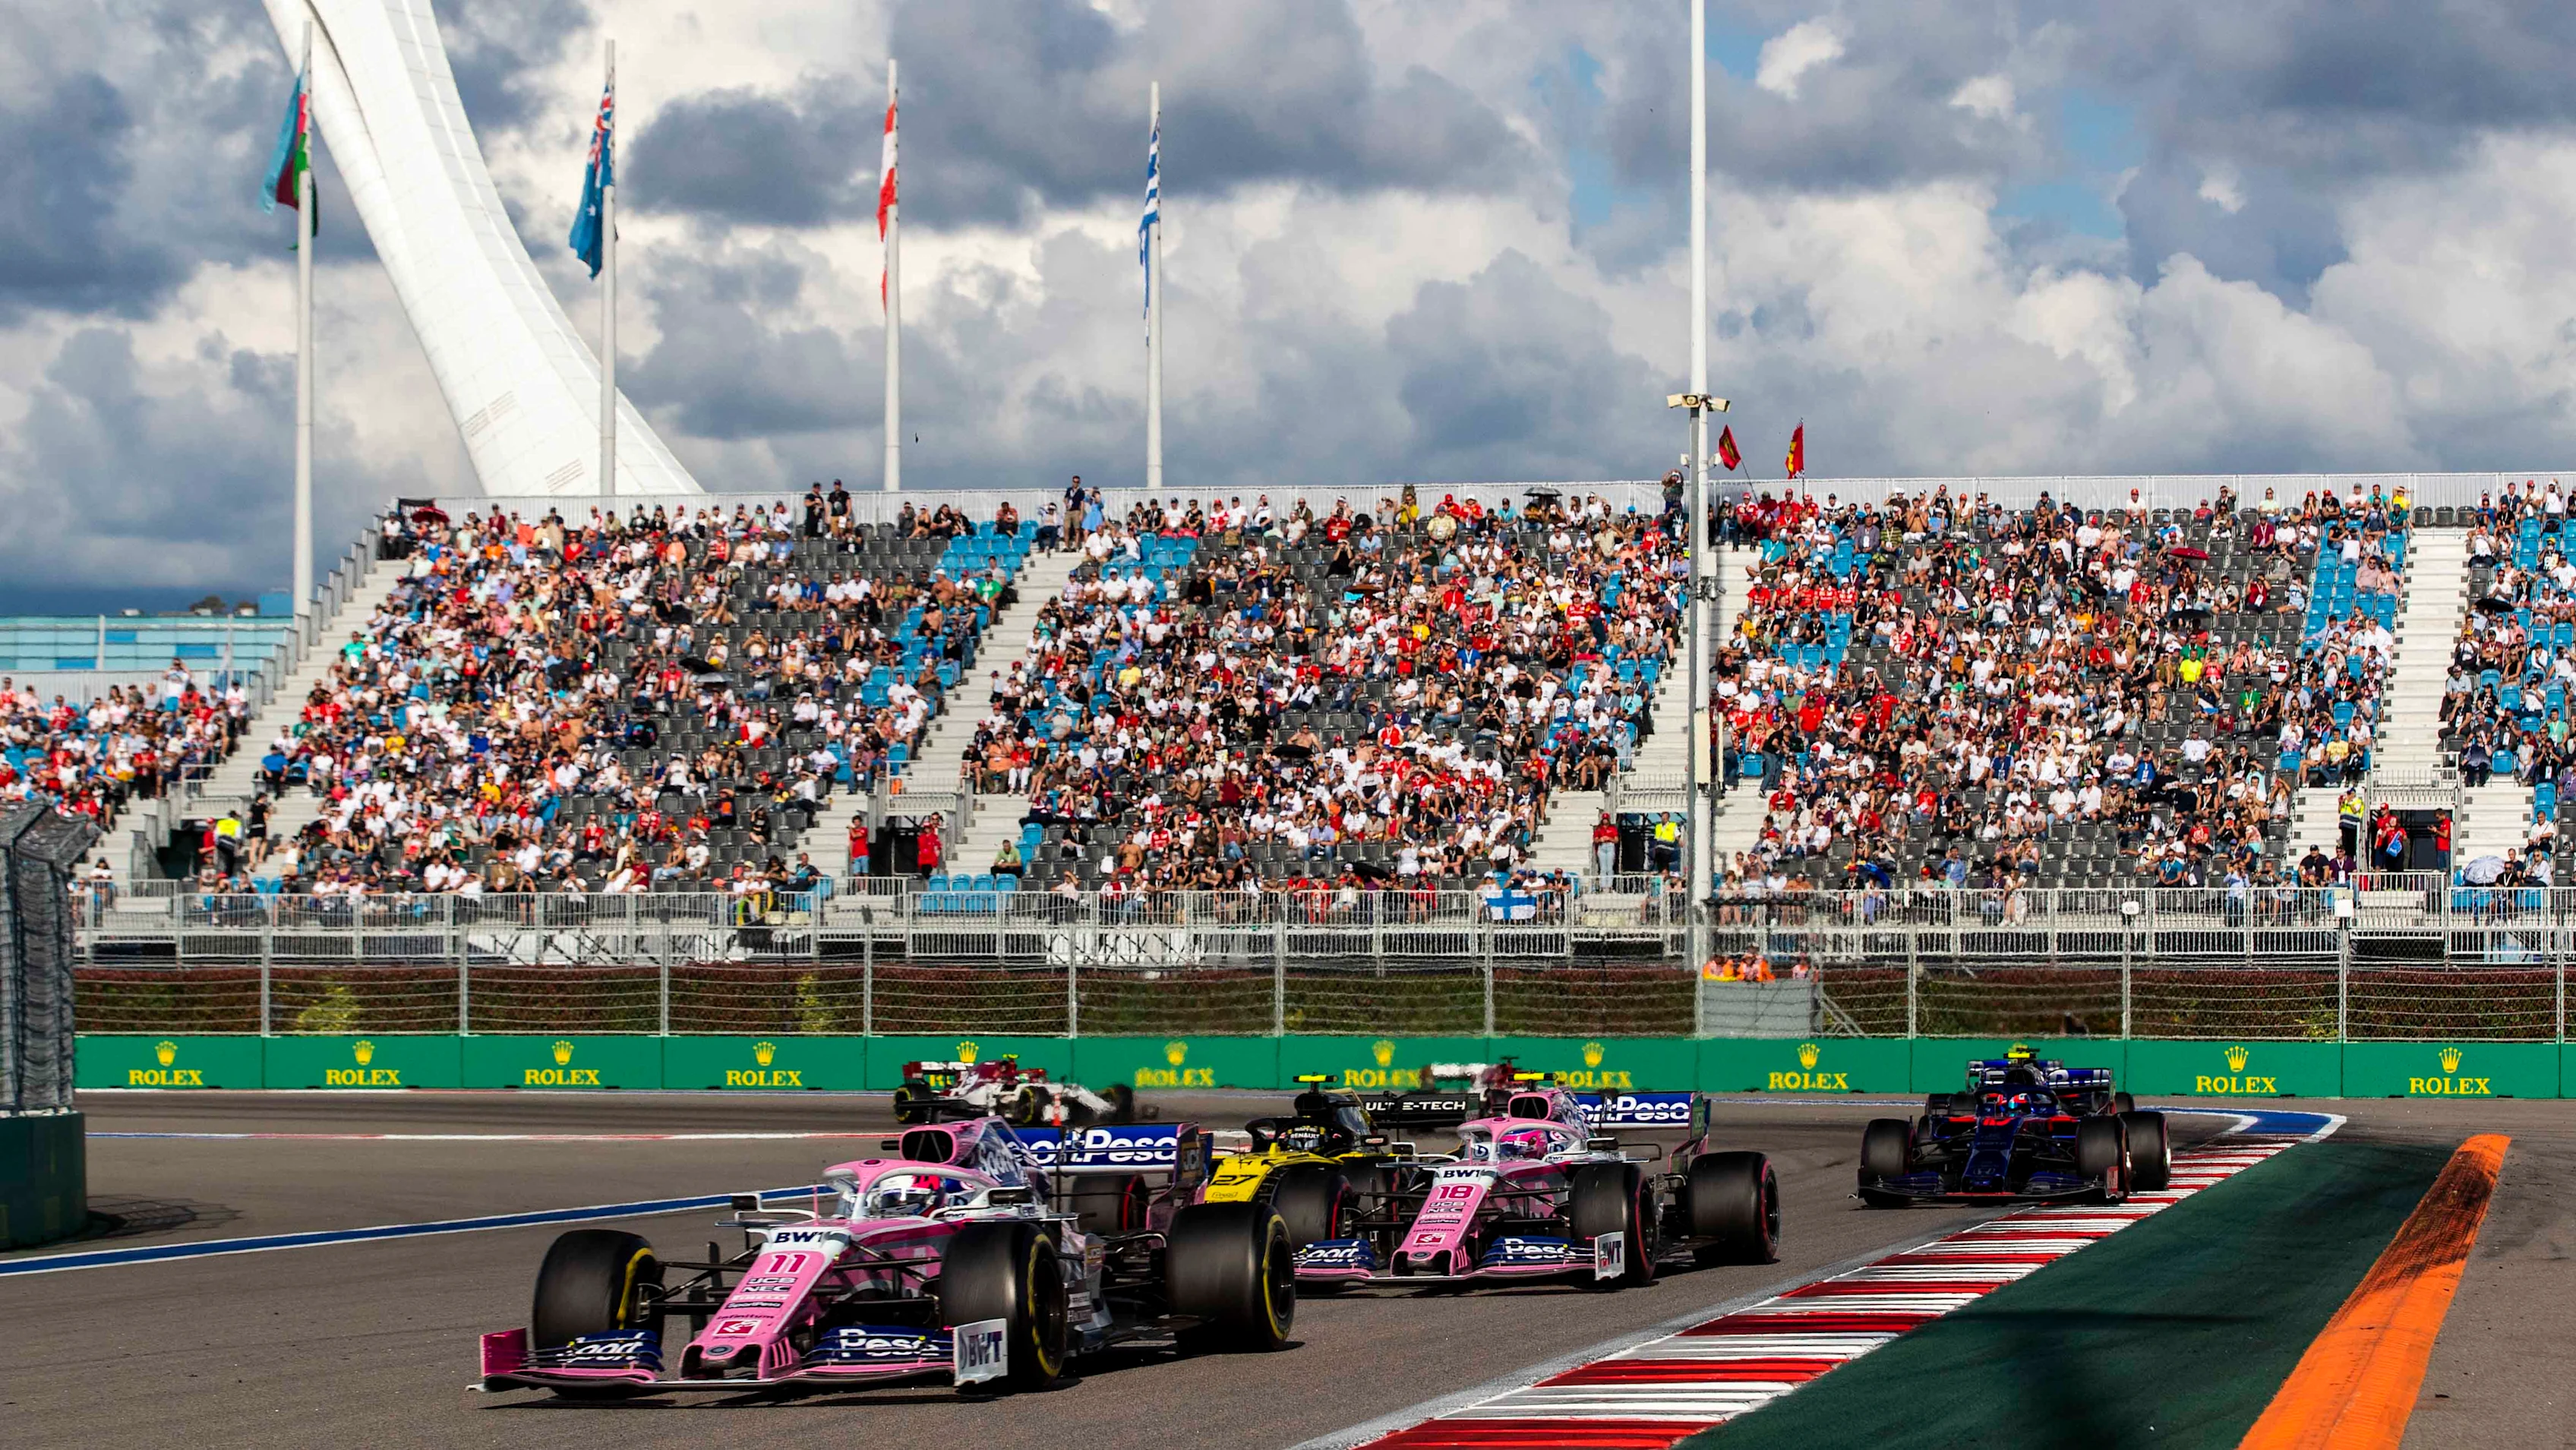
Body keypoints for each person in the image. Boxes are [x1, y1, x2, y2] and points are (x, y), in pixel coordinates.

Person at [1591, 811, 1618, 879]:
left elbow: (1616, 840)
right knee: (1603, 868)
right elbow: (1595, 839)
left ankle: (1609, 885)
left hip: (1610, 846)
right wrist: (1601, 839)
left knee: (1609, 868)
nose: (1605, 820)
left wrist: (1609, 838)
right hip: (1602, 846)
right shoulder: (1599, 829)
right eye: (1604, 819)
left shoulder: (1612, 828)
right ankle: (1603, 885)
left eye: (1606, 819)